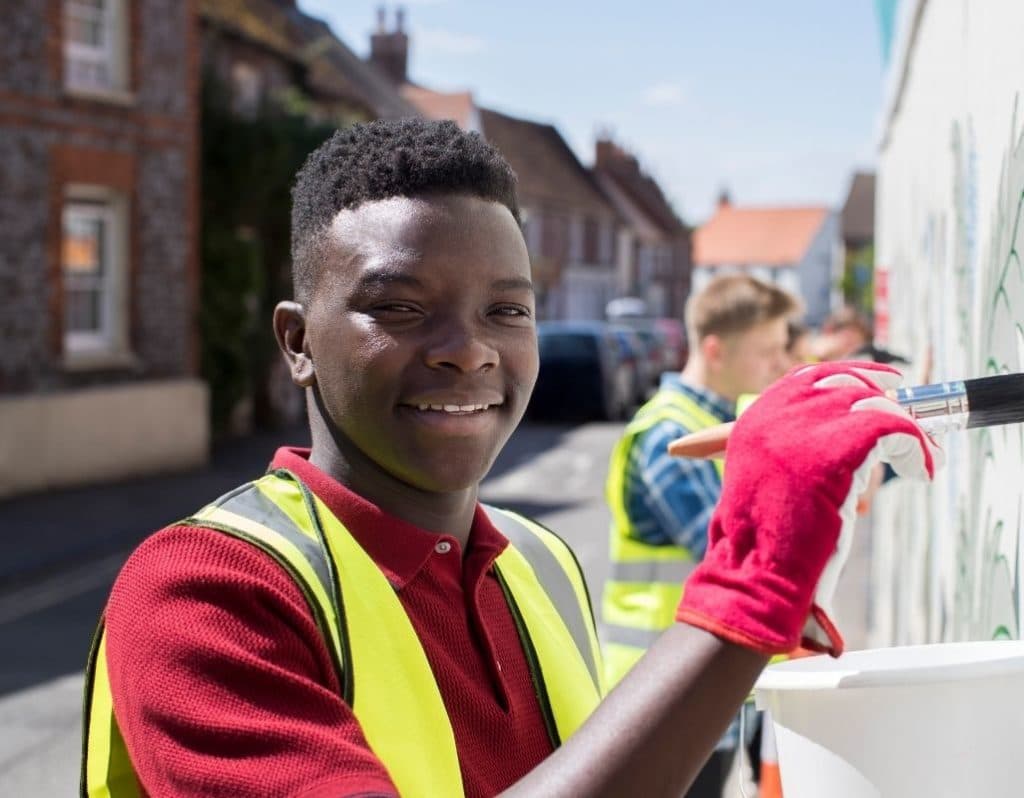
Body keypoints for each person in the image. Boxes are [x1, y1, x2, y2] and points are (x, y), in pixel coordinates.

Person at [81, 119, 938, 798]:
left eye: (507, 310)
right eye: (401, 307)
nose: (469, 351)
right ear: (298, 343)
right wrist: (749, 586)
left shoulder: (538, 560)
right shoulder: (204, 592)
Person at [602, 274, 798, 797]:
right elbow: (743, 560)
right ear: (715, 349)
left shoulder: (726, 424)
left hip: (702, 691)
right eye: (768, 351)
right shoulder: (673, 436)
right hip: (666, 698)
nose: (782, 365)